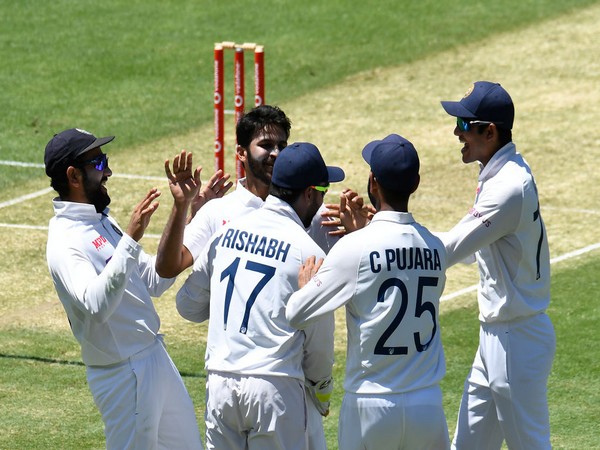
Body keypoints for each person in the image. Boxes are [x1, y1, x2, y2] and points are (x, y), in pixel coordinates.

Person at [156, 104, 343, 449]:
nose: (275, 153)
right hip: (280, 383)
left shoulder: (229, 233)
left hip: (223, 378)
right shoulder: (225, 214)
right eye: (266, 145)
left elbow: (188, 306)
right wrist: (322, 386)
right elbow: (321, 326)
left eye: (281, 146)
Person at [286, 134, 450, 450]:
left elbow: (296, 313)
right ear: (415, 184)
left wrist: (308, 286)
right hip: (427, 405)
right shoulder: (436, 247)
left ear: (373, 181)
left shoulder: (354, 248)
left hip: (370, 406)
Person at [44, 128, 203, 450]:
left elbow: (156, 280)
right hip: (121, 374)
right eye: (99, 163)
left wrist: (182, 208)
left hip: (155, 357)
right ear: (74, 176)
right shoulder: (65, 241)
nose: (108, 172)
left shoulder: (101, 221)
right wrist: (129, 240)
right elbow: (96, 306)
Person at [439, 81, 555, 449]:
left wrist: (384, 232)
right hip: (498, 336)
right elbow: (474, 247)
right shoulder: (503, 173)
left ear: (490, 131)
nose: (457, 132)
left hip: (515, 342)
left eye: (464, 125)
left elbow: (450, 249)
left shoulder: (507, 187)